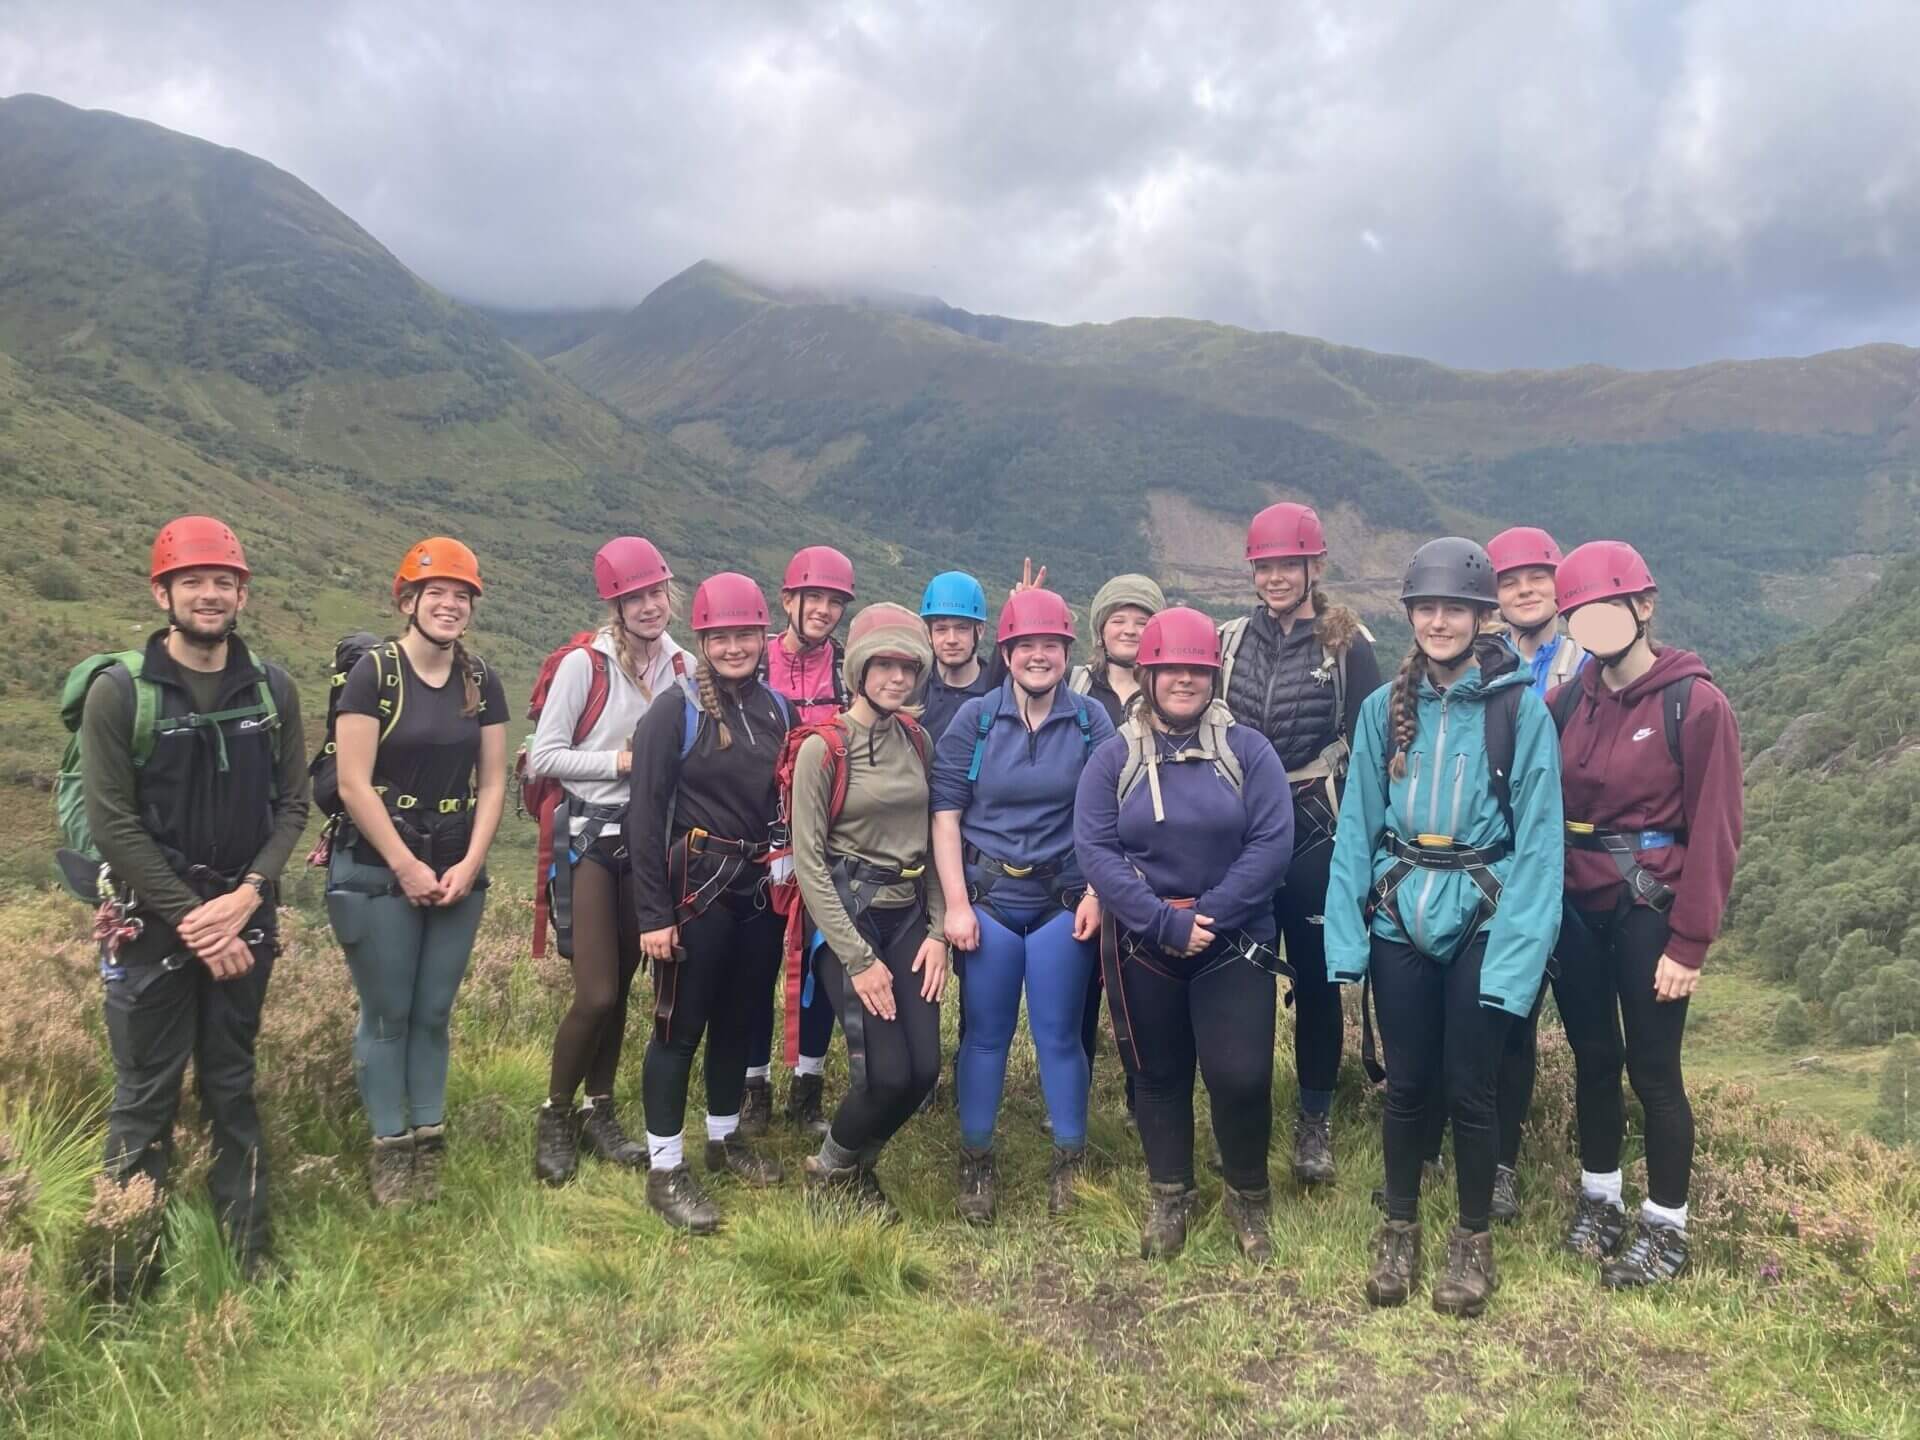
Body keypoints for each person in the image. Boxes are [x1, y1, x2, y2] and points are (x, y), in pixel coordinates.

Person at [1326, 538, 1563, 1318]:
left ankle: (1471, 1241)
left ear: (1480, 616)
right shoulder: (1383, 711)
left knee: (1471, 1090)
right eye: (1426, 609)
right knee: (1405, 1086)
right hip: (1401, 913)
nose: (1438, 622)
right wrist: (1345, 941)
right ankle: (1398, 1229)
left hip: (1484, 916)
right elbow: (1357, 825)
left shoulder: (1518, 711)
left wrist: (1517, 962)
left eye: (1453, 610)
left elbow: (1540, 844)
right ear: (1411, 616)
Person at [81, 517, 308, 1291]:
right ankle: (122, 1279)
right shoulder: (120, 695)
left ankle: (248, 1257)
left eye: (223, 582)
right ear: (163, 593)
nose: (209, 595)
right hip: (152, 923)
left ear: (242, 594)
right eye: (193, 582)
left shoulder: (272, 690)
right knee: (145, 1098)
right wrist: (195, 921)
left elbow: (293, 805)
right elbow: (113, 823)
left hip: (245, 917)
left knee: (231, 1084)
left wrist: (247, 896)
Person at [1548, 541, 1743, 1289]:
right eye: (1579, 615)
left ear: (1643, 605)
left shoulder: (1693, 704)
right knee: (1594, 1058)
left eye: (1604, 608)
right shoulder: (1567, 702)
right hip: (1575, 905)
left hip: (1648, 907)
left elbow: (1717, 829)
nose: (1592, 625)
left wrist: (1689, 944)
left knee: (1654, 1070)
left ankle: (1666, 1227)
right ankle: (1600, 1200)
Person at [1074, 608, 1294, 1260]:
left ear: (1213, 676)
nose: (1184, 680)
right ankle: (1171, 1194)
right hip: (1146, 941)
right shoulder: (1114, 757)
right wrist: (1161, 921)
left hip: (1232, 938)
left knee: (1241, 1076)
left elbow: (1272, 844)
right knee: (1158, 1075)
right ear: (1148, 674)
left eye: (1196, 670)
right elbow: (1096, 849)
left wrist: (1209, 917)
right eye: (1170, 669)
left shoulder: (1248, 751)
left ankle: (1247, 1196)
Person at [328, 537, 507, 1207]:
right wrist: (404, 865)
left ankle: (428, 1140)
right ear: (408, 601)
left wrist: (470, 863)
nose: (450, 605)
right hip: (379, 865)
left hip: (457, 863)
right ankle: (390, 1148)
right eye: (437, 594)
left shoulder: (480, 679)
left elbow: (493, 782)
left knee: (433, 1011)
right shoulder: (374, 675)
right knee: (388, 1013)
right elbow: (352, 782)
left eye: (462, 596)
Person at [932, 588, 1114, 1223]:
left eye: (1051, 646)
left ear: (1067, 652)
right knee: (986, 1035)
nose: (1039, 656)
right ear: (1006, 653)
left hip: (1063, 897)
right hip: (989, 898)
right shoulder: (976, 720)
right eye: (1026, 645)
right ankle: (976, 1160)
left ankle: (1070, 1158)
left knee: (1059, 1034)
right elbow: (946, 816)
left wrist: (1097, 893)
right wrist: (956, 905)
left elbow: (1108, 815)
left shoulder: (1091, 720)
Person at [1219, 502, 1381, 1185]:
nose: (1277, 577)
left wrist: (1371, 845)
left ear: (1314, 567)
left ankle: (1315, 1120)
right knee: (1240, 976)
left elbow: (1372, 746)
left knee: (1317, 980)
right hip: (1243, 825)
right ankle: (1244, 1110)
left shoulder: (1348, 645)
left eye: (1290, 564)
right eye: (1266, 566)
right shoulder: (1229, 642)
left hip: (1318, 825)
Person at [630, 572, 792, 1233]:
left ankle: (724, 1138)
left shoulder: (777, 710)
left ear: (763, 636)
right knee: (678, 1029)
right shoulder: (675, 711)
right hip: (694, 889)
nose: (734, 647)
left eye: (745, 634)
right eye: (720, 636)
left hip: (756, 890)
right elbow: (645, 817)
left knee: (739, 1018)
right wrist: (653, 916)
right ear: (702, 640)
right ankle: (665, 1169)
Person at [529, 537, 688, 1185]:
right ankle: (555, 1114)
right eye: (635, 598)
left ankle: (600, 1110)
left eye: (656, 593)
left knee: (621, 990)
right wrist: (622, 762)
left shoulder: (682, 664)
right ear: (616, 606)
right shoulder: (585, 667)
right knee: (595, 992)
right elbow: (544, 756)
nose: (649, 606)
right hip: (591, 839)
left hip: (647, 843)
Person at [794, 605, 949, 1220]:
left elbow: (932, 842)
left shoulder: (917, 741)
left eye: (908, 667)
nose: (897, 678)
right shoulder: (823, 749)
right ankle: (831, 1171)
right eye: (883, 665)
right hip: (849, 918)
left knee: (924, 1071)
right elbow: (809, 863)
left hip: (908, 916)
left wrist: (939, 931)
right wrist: (858, 960)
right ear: (859, 669)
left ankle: (859, 1165)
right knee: (885, 1075)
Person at [1477, 526, 1589, 1221]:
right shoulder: (1478, 660)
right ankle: (1479, 1154)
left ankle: (1512, 1165)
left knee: (1543, 1022)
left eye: (1536, 578)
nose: (1524, 591)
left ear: (1559, 584)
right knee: (1494, 1014)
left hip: (1563, 863)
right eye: (1509, 581)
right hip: (1490, 865)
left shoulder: (1587, 660)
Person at [746, 544, 855, 1137]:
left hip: (826, 839)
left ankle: (807, 1087)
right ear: (788, 599)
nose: (824, 610)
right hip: (757, 837)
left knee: (819, 962)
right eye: (814, 598)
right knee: (758, 962)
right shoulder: (753, 659)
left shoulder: (848, 668)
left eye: (834, 601)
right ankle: (754, 1083)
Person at [1068, 574, 1166, 727]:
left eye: (1142, 623)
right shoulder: (1070, 684)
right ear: (1101, 631)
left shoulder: (1167, 694)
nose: (1129, 631)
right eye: (1118, 621)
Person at [917, 571, 996, 741]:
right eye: (941, 629)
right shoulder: (914, 689)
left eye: (962, 628)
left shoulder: (998, 691)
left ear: (980, 630)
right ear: (929, 634)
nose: (951, 640)